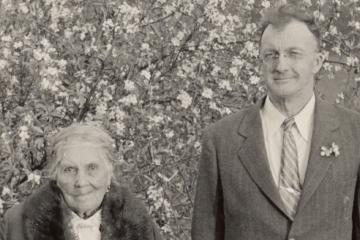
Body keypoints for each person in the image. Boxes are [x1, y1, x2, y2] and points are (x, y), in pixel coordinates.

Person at [192, 3, 360, 240]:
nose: (281, 66)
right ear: (260, 60)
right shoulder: (221, 140)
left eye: (294, 54)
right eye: (271, 55)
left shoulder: (354, 134)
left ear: (318, 61)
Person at [0, 123, 162, 240]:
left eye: (92, 168)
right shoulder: (16, 225)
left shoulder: (141, 225)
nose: (81, 182)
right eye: (69, 169)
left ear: (109, 172)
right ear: (55, 176)